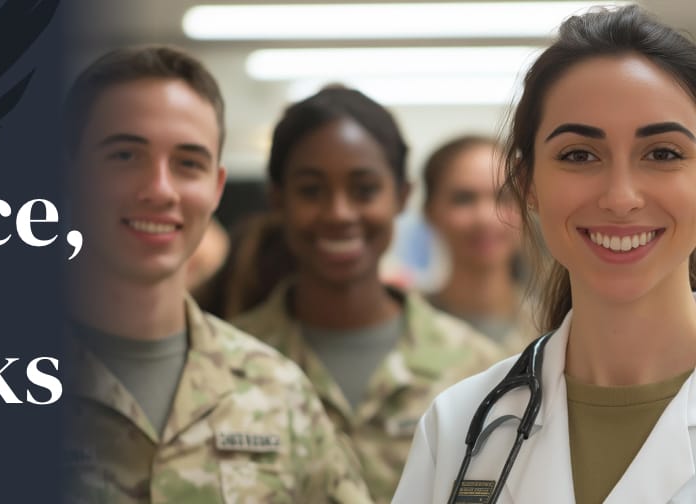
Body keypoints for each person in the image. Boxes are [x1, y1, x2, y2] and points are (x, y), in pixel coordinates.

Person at [392, 5, 696, 503]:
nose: (621, 197)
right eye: (579, 155)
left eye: (663, 153)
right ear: (528, 182)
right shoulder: (459, 428)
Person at [59, 46, 372, 503]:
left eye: (188, 163)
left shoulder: (278, 393)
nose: (160, 190)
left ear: (216, 187)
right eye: (125, 156)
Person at [231, 86, 502, 502]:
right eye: (311, 190)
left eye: (364, 190)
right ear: (277, 200)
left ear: (402, 197)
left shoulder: (480, 371)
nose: (339, 212)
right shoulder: (226, 367)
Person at [422, 135, 537, 353]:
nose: (486, 218)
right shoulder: (407, 327)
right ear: (430, 212)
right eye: (463, 199)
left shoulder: (560, 327)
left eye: (504, 197)